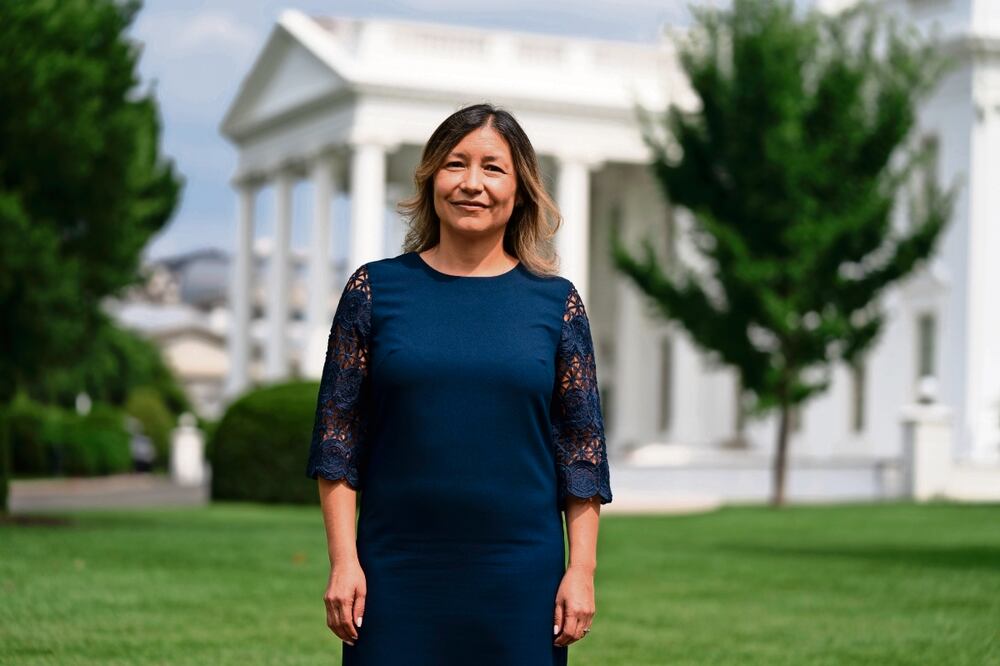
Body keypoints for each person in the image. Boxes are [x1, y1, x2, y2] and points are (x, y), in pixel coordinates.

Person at [306, 102, 613, 665]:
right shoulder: (373, 291)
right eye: (456, 164)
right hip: (394, 571)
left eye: (493, 168)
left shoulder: (556, 303)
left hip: (521, 575)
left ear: (520, 189)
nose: (472, 183)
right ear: (430, 180)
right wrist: (343, 560)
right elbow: (337, 439)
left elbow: (581, 451)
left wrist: (582, 570)